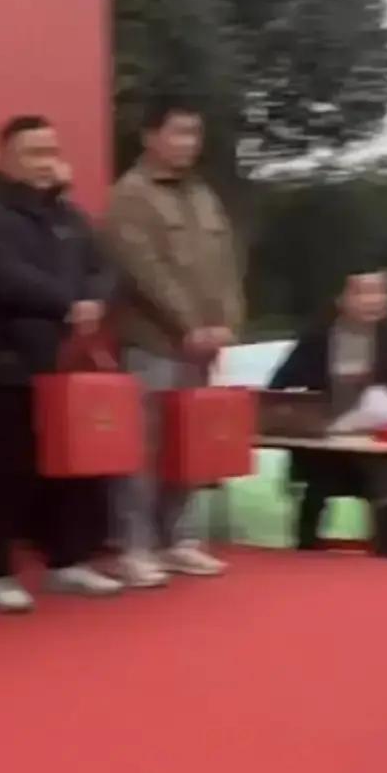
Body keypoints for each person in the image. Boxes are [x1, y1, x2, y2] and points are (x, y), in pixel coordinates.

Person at [0, 115, 121, 611]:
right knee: (9, 470)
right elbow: (1, 275)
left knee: (73, 468)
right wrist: (66, 303)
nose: (45, 161)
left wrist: (94, 300)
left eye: (51, 151)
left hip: (69, 368)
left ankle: (68, 560)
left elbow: (104, 267)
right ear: (4, 158)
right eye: (33, 152)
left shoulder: (69, 215)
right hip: (14, 364)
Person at [105, 98, 243, 588]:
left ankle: (180, 538)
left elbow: (227, 265)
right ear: (149, 136)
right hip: (153, 341)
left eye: (194, 133)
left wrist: (228, 321)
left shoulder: (202, 194)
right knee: (143, 448)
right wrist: (189, 325)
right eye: (178, 132)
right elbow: (144, 272)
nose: (188, 143)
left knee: (191, 442)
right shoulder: (131, 195)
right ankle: (135, 546)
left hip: (202, 345)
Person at [269, 269, 387, 557]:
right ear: (340, 298)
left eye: (381, 291)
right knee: (315, 483)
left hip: (377, 442)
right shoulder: (318, 336)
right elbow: (280, 386)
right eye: (363, 292)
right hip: (326, 443)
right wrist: (304, 415)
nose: (374, 300)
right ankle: (305, 554)